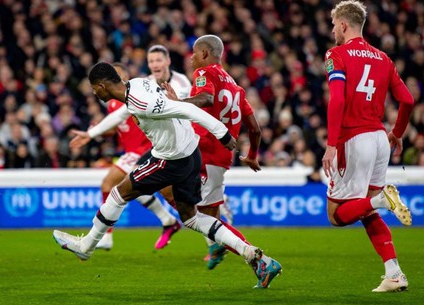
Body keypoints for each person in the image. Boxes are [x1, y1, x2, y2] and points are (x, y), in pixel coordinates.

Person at [53, 62, 281, 289]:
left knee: (118, 193)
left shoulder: (141, 102)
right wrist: (92, 133)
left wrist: (221, 133)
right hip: (190, 153)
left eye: (94, 88)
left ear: (102, 86)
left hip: (170, 159)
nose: (94, 93)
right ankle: (255, 257)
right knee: (191, 218)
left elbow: (188, 109)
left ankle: (86, 247)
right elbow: (126, 113)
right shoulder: (139, 84)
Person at [321, 0, 415, 293]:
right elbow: (408, 100)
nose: (333, 29)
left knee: (337, 215)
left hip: (353, 139)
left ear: (344, 25)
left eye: (335, 24)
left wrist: (331, 144)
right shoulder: (383, 58)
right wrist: (396, 133)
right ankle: (394, 273)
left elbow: (337, 100)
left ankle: (382, 200)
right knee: (366, 212)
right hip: (379, 139)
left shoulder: (336, 54)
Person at [162, 35, 262, 270]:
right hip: (222, 158)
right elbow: (255, 129)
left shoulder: (205, 73)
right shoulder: (236, 88)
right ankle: (224, 247)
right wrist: (252, 155)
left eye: (194, 53)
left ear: (205, 54)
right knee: (210, 219)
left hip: (204, 153)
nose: (191, 58)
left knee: (198, 217)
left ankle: (258, 259)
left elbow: (206, 98)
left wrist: (178, 101)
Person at [69, 63, 182, 251]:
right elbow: (114, 127)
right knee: (130, 189)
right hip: (132, 151)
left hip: (143, 149)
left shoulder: (133, 94)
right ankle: (175, 221)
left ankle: (195, 222)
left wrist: (93, 133)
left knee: (119, 186)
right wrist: (95, 132)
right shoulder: (113, 103)